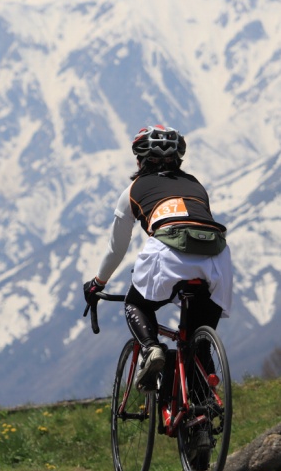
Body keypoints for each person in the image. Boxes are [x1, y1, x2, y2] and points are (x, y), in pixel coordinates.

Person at [83, 125, 233, 393]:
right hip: (217, 257)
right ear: (179, 159)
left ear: (140, 159)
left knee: (135, 303)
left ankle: (152, 349)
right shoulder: (195, 184)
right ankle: (200, 422)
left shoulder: (133, 189)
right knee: (198, 347)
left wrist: (98, 282)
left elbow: (116, 247)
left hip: (168, 250)